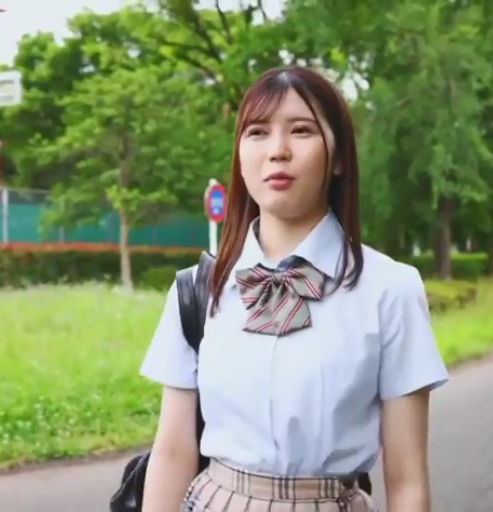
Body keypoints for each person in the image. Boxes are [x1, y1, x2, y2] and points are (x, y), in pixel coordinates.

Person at [139, 66, 449, 512]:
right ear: (240, 155)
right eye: (258, 132)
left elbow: (407, 482)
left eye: (301, 130)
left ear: (338, 159)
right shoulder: (197, 291)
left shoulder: (390, 290)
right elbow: (172, 453)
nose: (277, 151)